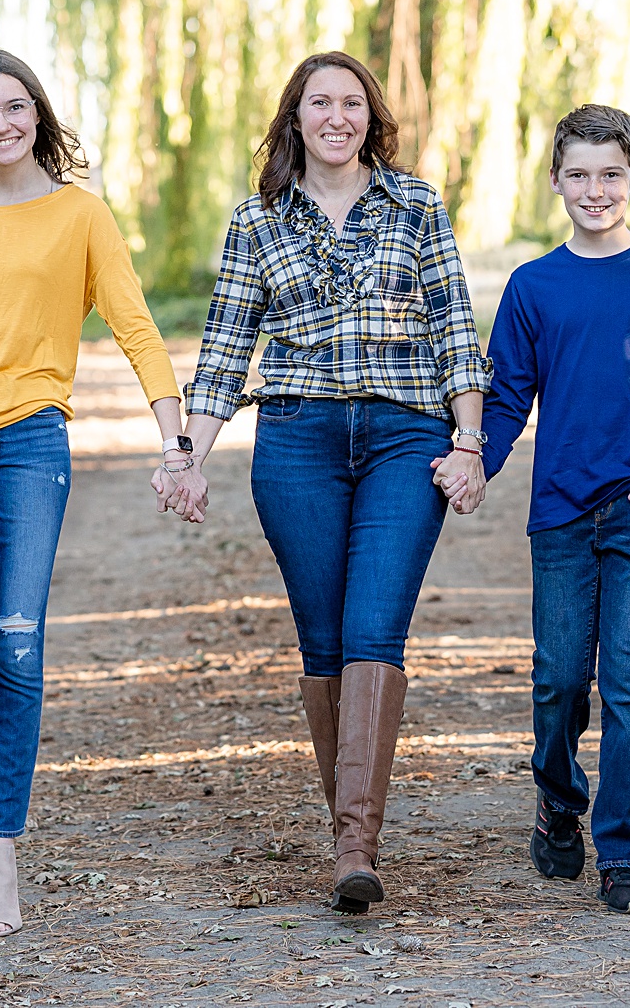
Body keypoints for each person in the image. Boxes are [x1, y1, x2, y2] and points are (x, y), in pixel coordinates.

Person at [0, 49, 205, 938]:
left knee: (16, 648)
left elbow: (135, 325)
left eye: (15, 107)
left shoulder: (79, 215)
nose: (0, 124)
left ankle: (4, 850)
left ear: (39, 114)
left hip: (31, 442)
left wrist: (175, 440)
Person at [176, 50, 492, 913]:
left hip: (405, 436)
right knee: (322, 640)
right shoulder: (258, 220)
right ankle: (349, 829)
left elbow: (458, 332)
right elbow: (225, 350)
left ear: (371, 117)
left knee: (372, 628)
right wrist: (189, 452)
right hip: (297, 440)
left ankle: (357, 844)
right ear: (296, 118)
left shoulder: (417, 204)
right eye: (321, 102)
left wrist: (469, 442)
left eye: (353, 102)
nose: (337, 117)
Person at [471, 103, 630, 914]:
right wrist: (472, 463)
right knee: (557, 681)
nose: (595, 189)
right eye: (578, 174)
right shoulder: (532, 285)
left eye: (610, 173)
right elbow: (508, 397)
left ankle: (621, 858)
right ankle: (557, 798)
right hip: (559, 513)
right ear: (555, 181)